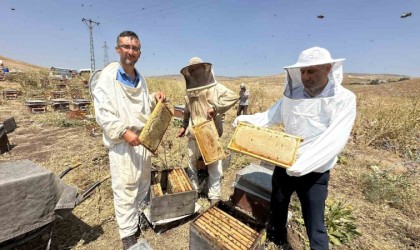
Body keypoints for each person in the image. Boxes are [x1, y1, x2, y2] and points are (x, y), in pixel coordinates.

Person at [233, 47, 356, 249]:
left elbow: (335, 138)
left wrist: (304, 163)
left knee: (315, 221)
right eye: (303, 72)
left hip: (315, 169)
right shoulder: (292, 96)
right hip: (285, 162)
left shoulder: (344, 98)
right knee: (278, 203)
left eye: (311, 71)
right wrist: (245, 119)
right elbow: (269, 117)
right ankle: (276, 239)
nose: (305, 77)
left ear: (328, 68)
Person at [91, 31, 165, 250]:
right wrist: (123, 132)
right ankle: (127, 235)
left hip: (142, 140)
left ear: (139, 53)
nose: (130, 52)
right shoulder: (108, 77)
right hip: (123, 143)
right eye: (126, 47)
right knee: (125, 188)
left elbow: (141, 107)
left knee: (143, 183)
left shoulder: (139, 77)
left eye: (134, 48)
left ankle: (139, 219)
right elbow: (103, 113)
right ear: (118, 49)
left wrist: (155, 98)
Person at [177, 57, 238, 205]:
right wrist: (183, 126)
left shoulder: (215, 87)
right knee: (191, 164)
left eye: (197, 69)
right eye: (192, 70)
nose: (194, 72)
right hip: (193, 134)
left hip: (210, 133)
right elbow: (186, 112)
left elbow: (233, 96)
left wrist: (215, 108)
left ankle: (214, 196)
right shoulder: (189, 93)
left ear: (203, 70)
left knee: (214, 166)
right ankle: (194, 191)